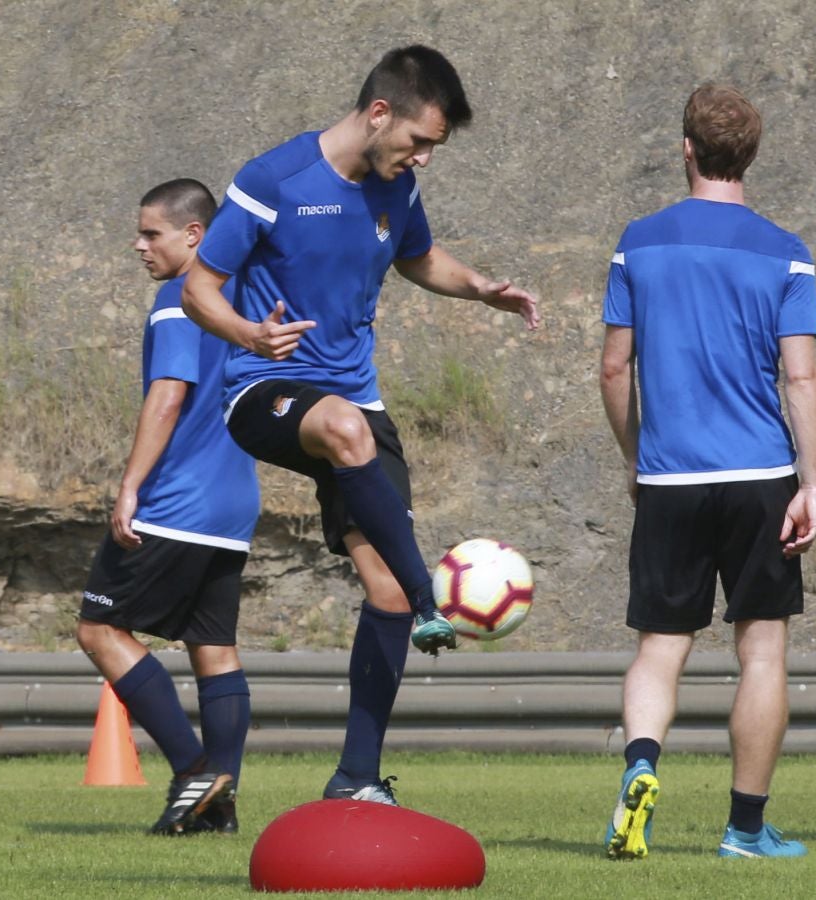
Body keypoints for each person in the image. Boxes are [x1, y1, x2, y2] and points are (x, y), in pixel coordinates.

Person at [182, 45, 539, 806]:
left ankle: (356, 778)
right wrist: (248, 335)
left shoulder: (397, 185)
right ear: (379, 113)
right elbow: (198, 288)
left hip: (353, 402)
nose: (424, 158)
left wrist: (479, 287)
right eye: (419, 140)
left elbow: (419, 258)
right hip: (265, 388)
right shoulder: (273, 180)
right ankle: (430, 599)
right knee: (348, 432)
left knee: (383, 590)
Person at [599, 85, 816, 861]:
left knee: (660, 649)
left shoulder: (638, 242)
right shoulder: (786, 250)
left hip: (670, 479)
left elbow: (614, 368)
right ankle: (746, 830)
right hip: (761, 475)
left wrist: (637, 456)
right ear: (750, 156)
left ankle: (641, 766)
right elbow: (802, 378)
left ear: (686, 149)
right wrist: (814, 483)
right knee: (760, 653)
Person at [78, 178, 259, 836]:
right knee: (213, 648)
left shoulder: (180, 297)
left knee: (99, 630)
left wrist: (130, 485)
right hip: (234, 504)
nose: (139, 244)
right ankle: (219, 810)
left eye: (151, 233)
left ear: (194, 235)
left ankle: (193, 771)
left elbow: (169, 392)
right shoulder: (240, 298)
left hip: (176, 500)